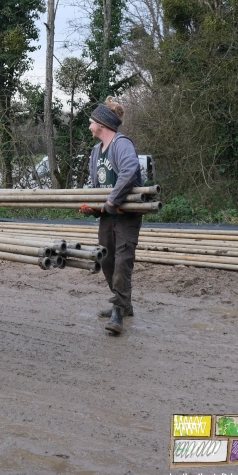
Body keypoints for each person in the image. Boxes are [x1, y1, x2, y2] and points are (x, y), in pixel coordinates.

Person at [79, 100, 144, 334]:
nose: (89, 126)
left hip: (126, 215)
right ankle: (124, 304)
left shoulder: (121, 143)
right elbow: (96, 185)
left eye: (91, 122)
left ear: (101, 123)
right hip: (107, 216)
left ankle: (118, 311)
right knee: (106, 259)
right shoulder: (96, 152)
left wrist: (111, 201)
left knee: (122, 262)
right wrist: (94, 207)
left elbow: (129, 170)